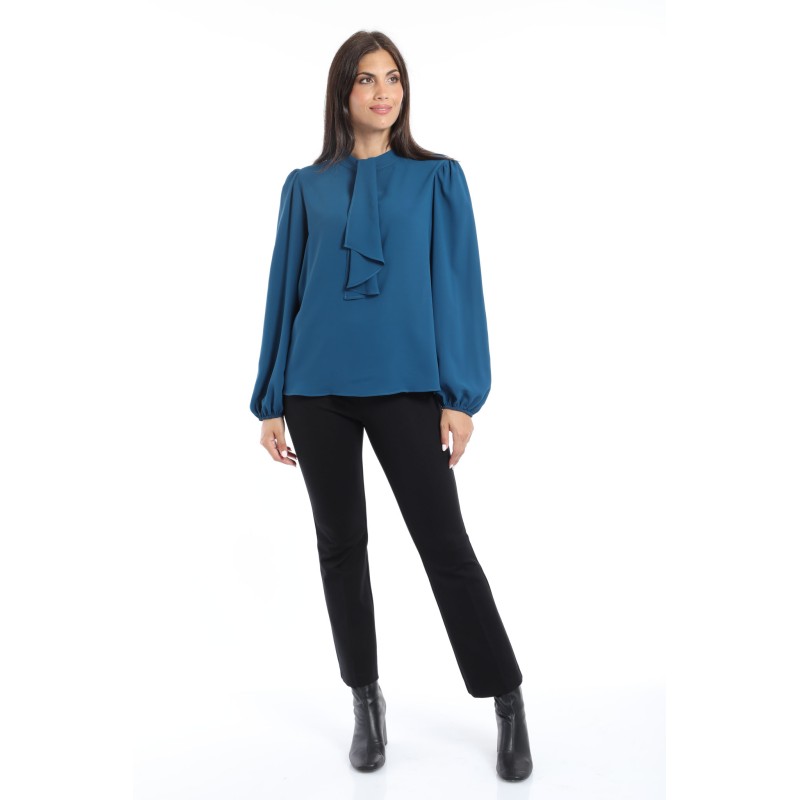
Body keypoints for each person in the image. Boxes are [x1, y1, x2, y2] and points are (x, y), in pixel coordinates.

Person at [249, 30, 533, 782]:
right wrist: (271, 398)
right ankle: (365, 701)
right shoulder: (304, 187)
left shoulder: (438, 179)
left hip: (408, 386)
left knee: (444, 545)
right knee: (340, 547)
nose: (383, 92)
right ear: (342, 92)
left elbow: (458, 289)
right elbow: (284, 291)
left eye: (395, 78)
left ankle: (506, 697)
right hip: (315, 389)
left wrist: (461, 397)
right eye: (367, 79)